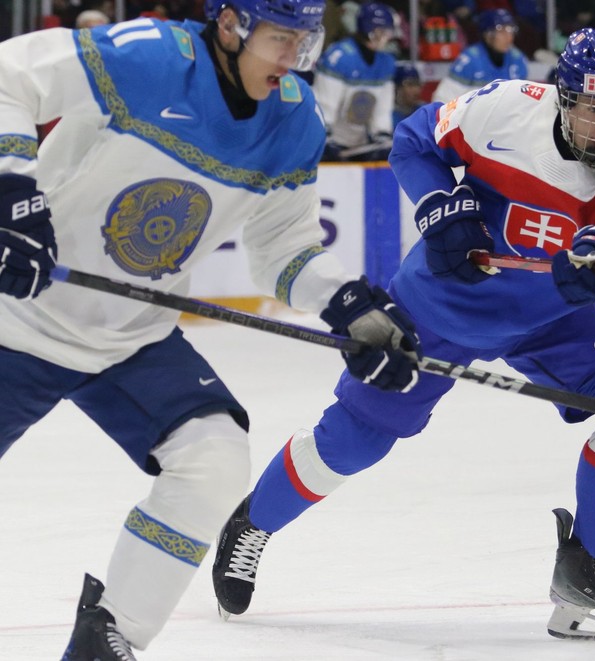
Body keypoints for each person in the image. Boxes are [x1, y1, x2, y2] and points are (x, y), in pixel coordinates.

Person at [212, 27, 595, 642]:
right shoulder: (505, 107)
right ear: (562, 98)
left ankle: (584, 571)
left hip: (550, 314)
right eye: (594, 109)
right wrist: (440, 204)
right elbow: (413, 140)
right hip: (440, 302)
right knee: (355, 441)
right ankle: (254, 523)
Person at [0, 0, 421, 657]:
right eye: (280, 38)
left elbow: (285, 247)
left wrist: (350, 309)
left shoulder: (294, 119)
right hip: (18, 320)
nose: (292, 58)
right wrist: (11, 189)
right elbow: (9, 75)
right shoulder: (151, 57)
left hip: (132, 337)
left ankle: (110, 637)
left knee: (214, 460)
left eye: (303, 41)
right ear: (230, 25)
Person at [313, 2, 398, 162]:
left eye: (387, 32)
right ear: (367, 30)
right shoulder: (339, 56)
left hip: (362, 143)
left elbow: (382, 109)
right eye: (381, 32)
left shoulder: (386, 62)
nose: (386, 37)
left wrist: (382, 133)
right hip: (333, 141)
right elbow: (324, 103)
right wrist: (324, 136)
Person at [430, 9, 528, 103]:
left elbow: (523, 101)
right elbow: (442, 100)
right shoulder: (468, 60)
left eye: (511, 30)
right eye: (502, 31)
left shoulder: (518, 59)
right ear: (487, 35)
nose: (509, 37)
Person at [392, 60, 425, 129]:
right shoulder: (386, 116)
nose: (416, 90)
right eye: (410, 85)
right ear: (397, 88)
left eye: (417, 84)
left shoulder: (425, 112)